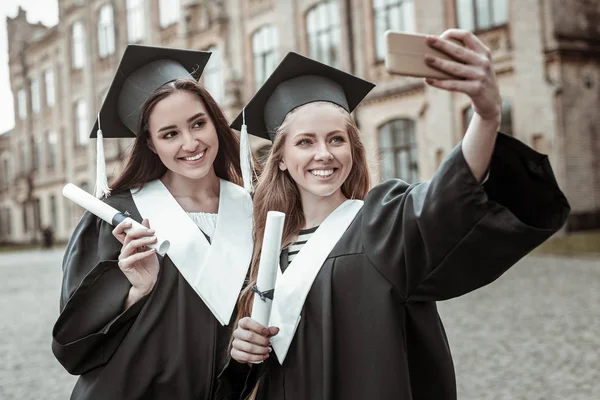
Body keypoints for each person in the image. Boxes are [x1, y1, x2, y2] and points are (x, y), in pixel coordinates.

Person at [224, 30, 571, 399]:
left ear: (353, 151)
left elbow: (444, 200)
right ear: (279, 160)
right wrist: (243, 350)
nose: (323, 153)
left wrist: (486, 116)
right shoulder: (268, 247)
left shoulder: (383, 221)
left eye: (336, 139)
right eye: (305, 141)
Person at [52, 45, 256, 399]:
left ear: (215, 122)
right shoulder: (116, 216)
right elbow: (73, 343)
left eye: (198, 124)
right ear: (150, 142)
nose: (191, 143)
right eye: (170, 133)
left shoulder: (253, 209)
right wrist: (134, 293)